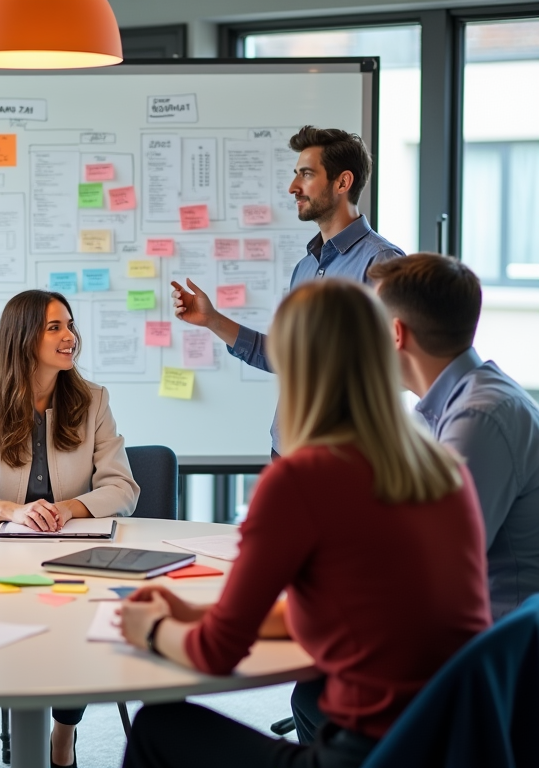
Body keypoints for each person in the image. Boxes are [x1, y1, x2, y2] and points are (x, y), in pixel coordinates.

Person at [118, 279, 491, 768]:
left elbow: (214, 655)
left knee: (160, 725)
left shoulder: (302, 478)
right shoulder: (441, 467)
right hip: (452, 746)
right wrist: (192, 612)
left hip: (364, 756)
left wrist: (150, 628)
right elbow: (349, 610)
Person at [0, 289, 139, 768]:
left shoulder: (93, 400)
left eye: (70, 326)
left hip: (72, 554)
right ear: (23, 337)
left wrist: (67, 508)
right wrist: (8, 509)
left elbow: (122, 486)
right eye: (55, 328)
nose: (70, 337)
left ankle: (63, 736)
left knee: (75, 626)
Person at [172, 126, 405, 457]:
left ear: (342, 182)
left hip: (343, 457)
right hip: (286, 451)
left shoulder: (381, 262)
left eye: (306, 175)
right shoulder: (306, 268)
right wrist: (212, 320)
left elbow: (396, 368)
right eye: (296, 174)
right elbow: (287, 357)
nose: (293, 187)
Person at [370, 253, 539, 620]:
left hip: (491, 650)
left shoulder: (479, 416)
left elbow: (432, 561)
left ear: (397, 334)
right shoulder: (449, 405)